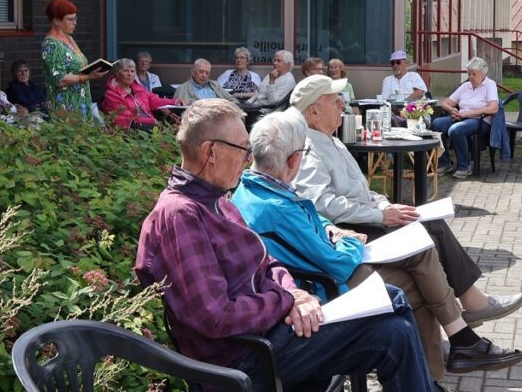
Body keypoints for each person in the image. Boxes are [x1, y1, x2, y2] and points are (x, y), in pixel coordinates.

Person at [135, 99, 435, 391]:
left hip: (271, 333)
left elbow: (268, 262)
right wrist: (285, 302)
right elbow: (217, 316)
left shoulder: (217, 200)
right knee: (394, 311)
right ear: (210, 152)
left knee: (394, 329)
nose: (248, 159)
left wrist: (296, 295)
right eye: (242, 148)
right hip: (244, 359)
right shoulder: (181, 215)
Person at [232, 110, 522, 382]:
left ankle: (450, 356)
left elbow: (309, 211)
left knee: (422, 255)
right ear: (294, 160)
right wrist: (349, 240)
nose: (341, 106)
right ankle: (445, 361)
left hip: (319, 267)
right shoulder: (277, 207)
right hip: (325, 285)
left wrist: (331, 228)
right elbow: (337, 262)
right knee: (418, 284)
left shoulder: (255, 187)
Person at [290, 75, 522, 328]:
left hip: (365, 218)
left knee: (429, 222)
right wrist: (381, 215)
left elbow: (362, 190)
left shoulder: (332, 140)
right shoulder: (308, 150)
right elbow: (322, 205)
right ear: (314, 112)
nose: (342, 103)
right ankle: (468, 309)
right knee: (426, 233)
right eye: (335, 99)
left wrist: (385, 206)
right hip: (351, 232)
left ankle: (467, 308)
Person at [432, 57, 500, 179]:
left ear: (482, 73)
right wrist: (451, 110)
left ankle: (464, 166)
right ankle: (444, 162)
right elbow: (445, 103)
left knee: (456, 130)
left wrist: (468, 114)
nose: (471, 77)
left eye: (474, 74)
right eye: (469, 74)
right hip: (461, 117)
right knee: (436, 123)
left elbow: (493, 108)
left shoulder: (490, 85)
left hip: (480, 120)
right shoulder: (465, 86)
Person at [41, 0, 106, 118]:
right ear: (56, 21)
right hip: (66, 106)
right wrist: (88, 76)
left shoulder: (69, 39)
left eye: (75, 18)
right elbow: (59, 79)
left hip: (81, 102)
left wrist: (92, 70)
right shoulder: (51, 44)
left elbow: (77, 66)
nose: (75, 23)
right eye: (70, 19)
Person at [101, 58, 181, 130]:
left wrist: (174, 102)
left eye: (132, 71)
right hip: (130, 129)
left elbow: (154, 99)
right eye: (126, 71)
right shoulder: (111, 94)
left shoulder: (137, 88)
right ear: (118, 74)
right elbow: (125, 117)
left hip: (150, 125)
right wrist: (152, 121)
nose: (130, 74)